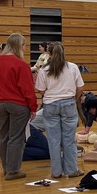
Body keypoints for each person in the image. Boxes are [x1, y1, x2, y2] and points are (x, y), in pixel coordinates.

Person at [0, 33, 38, 180]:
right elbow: (27, 88)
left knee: (3, 135)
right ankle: (13, 170)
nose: (25, 48)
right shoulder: (21, 64)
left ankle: (6, 167)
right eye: (24, 45)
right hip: (18, 104)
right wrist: (33, 107)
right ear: (19, 46)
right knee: (16, 137)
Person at [34, 42, 85, 179]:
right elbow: (80, 88)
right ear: (63, 51)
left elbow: (40, 89)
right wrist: (74, 99)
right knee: (69, 139)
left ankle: (56, 172)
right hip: (68, 103)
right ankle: (71, 170)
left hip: (50, 105)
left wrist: (48, 97)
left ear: (48, 53)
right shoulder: (72, 67)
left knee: (53, 139)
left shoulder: (44, 70)